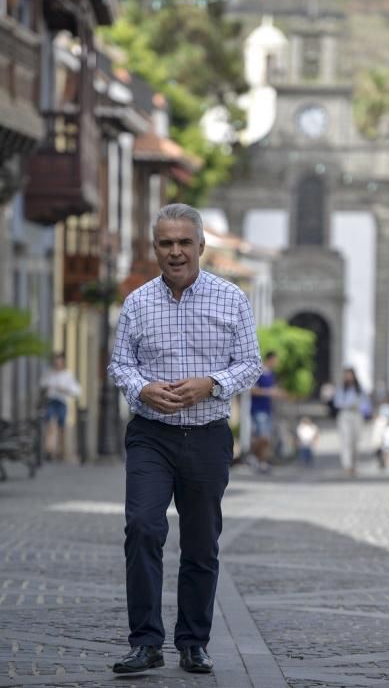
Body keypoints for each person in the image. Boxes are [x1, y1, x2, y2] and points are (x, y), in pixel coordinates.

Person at [108, 203, 261, 676]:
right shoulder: (136, 303)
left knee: (200, 543)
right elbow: (119, 365)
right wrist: (142, 388)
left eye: (183, 242)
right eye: (165, 243)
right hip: (151, 437)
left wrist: (211, 384)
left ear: (200, 246)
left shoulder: (231, 298)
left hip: (208, 436)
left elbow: (250, 363)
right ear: (155, 247)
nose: (175, 252)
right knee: (144, 527)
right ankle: (146, 643)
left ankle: (193, 643)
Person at [39, 352, 81, 461]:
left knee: (62, 427)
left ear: (63, 362)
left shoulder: (68, 374)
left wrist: (64, 389)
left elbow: (76, 390)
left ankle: (61, 451)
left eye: (59, 361)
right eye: (55, 361)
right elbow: (42, 384)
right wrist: (47, 387)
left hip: (62, 402)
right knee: (51, 425)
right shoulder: (49, 373)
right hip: (51, 401)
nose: (57, 363)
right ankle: (49, 450)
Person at [249, 351, 284, 472]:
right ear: (269, 359)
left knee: (267, 439)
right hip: (258, 409)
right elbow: (252, 390)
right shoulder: (259, 373)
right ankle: (252, 455)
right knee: (263, 437)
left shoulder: (271, 375)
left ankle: (262, 462)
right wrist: (269, 392)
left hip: (268, 409)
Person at [333, 367, 369, 476]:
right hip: (345, 415)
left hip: (357, 415)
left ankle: (354, 465)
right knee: (346, 441)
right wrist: (348, 404)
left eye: (349, 375)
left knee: (355, 442)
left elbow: (365, 403)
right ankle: (347, 465)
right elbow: (337, 403)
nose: (348, 377)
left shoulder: (359, 389)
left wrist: (362, 409)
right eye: (346, 375)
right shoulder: (341, 389)